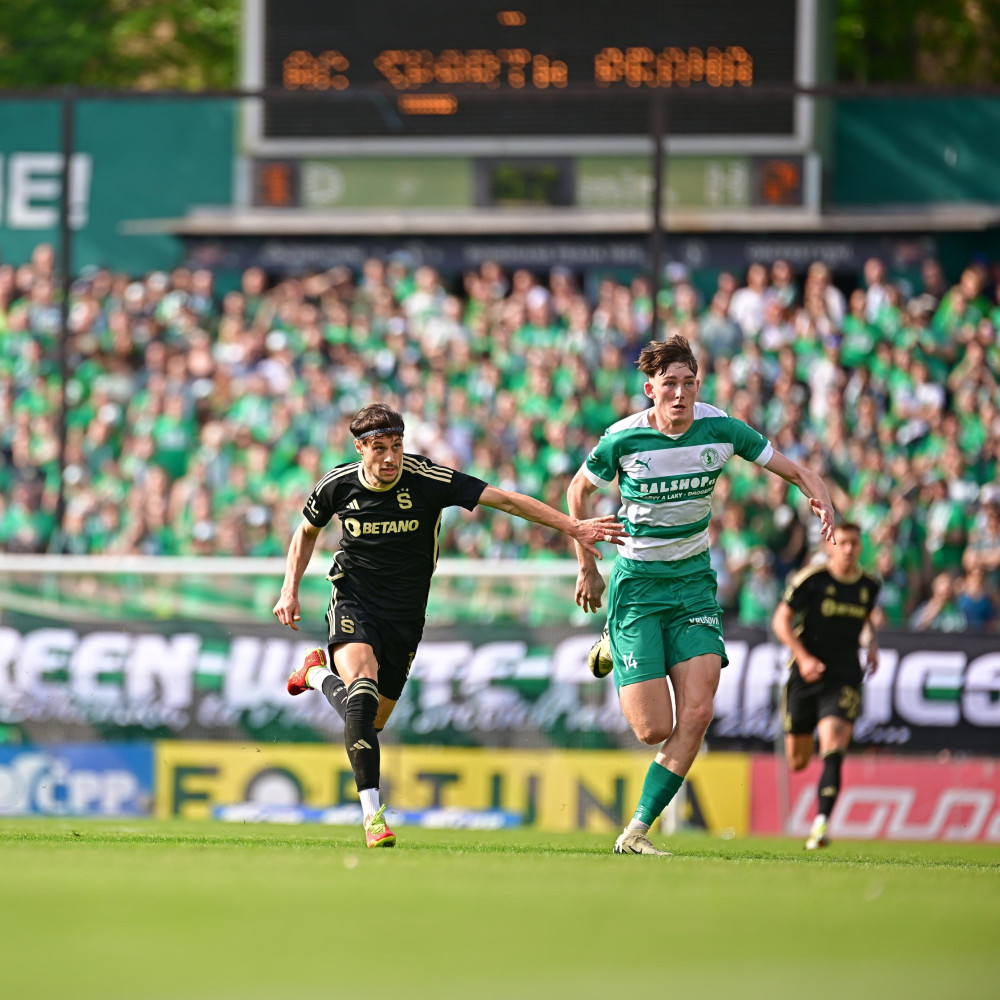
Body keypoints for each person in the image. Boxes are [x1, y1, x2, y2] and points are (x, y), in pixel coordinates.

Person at [272, 402, 625, 848]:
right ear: (360, 448)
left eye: (396, 446)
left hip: (406, 616)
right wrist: (290, 589)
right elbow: (305, 532)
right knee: (361, 693)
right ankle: (372, 817)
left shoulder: (428, 479)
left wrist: (572, 527)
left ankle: (316, 674)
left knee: (369, 722)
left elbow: (507, 500)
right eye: (378, 448)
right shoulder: (336, 485)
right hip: (353, 601)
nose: (389, 458)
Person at [568, 335, 836, 855]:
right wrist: (588, 564)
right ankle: (612, 639)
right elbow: (578, 491)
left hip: (693, 585)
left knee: (696, 714)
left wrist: (820, 497)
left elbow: (797, 470)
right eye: (669, 384)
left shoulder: (722, 429)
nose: (680, 394)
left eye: (689, 383)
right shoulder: (622, 439)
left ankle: (637, 830)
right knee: (653, 728)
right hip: (638, 586)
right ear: (650, 389)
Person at [771, 522, 881, 850]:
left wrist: (871, 643)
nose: (848, 549)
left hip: (844, 674)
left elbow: (865, 621)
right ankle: (819, 806)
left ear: (860, 547)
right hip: (805, 674)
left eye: (854, 544)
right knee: (798, 760)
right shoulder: (812, 580)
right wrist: (802, 657)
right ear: (832, 546)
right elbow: (781, 620)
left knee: (833, 745)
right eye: (843, 543)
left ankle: (820, 825)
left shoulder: (869, 586)